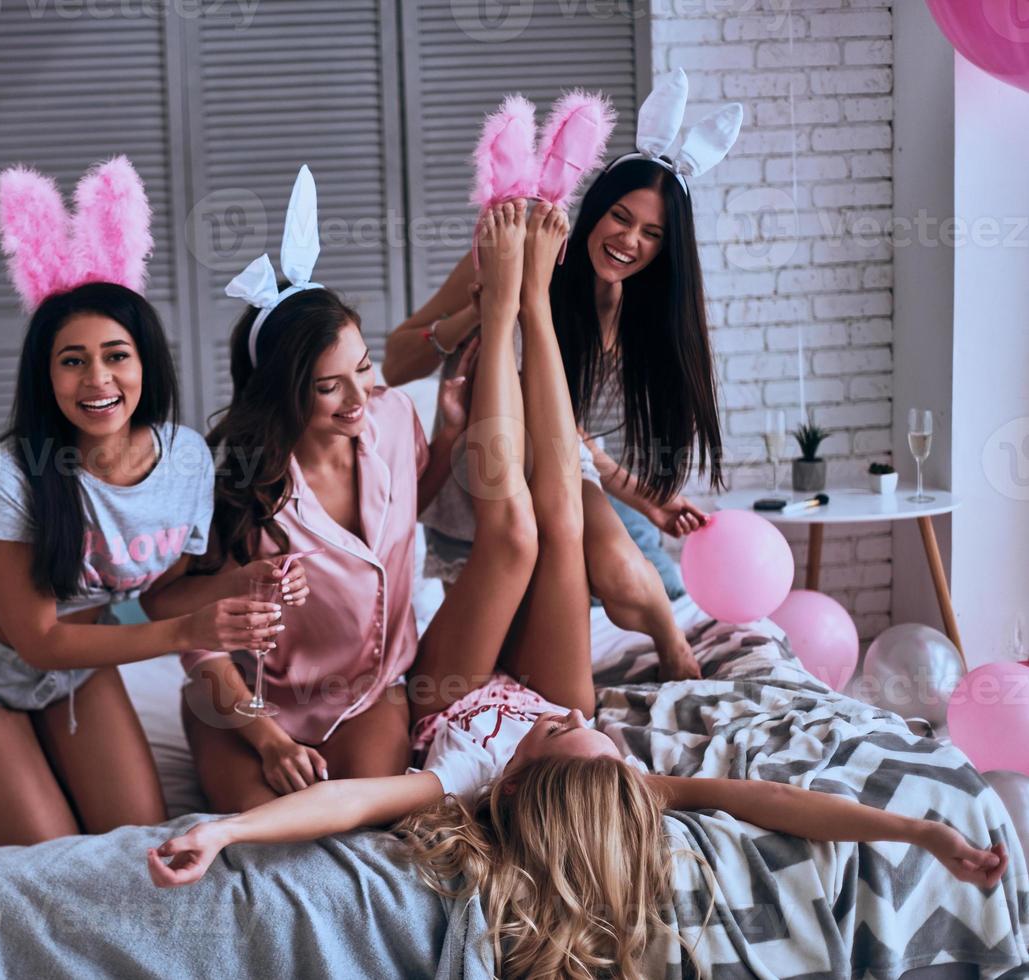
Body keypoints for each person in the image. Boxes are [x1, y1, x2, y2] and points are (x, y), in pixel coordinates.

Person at [145, 200, 1008, 978]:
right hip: (442, 669)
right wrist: (920, 832)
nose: (577, 719)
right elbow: (781, 802)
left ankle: (511, 306)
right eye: (589, 731)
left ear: (516, 784)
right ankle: (527, 310)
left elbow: (353, 798)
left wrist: (224, 830)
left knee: (521, 525)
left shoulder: (465, 778)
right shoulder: (611, 766)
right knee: (554, 510)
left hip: (431, 691)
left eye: (565, 735)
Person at [0, 159, 281, 848]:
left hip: (79, 664)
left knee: (133, 838)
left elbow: (163, 590)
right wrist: (187, 634)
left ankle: (3, 775)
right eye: (71, 360)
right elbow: (39, 640)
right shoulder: (8, 476)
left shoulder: (185, 461)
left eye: (116, 355)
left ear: (145, 363)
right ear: (44, 374)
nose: (98, 379)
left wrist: (233, 589)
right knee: (52, 861)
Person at [385, 75, 741, 681]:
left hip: (554, 463)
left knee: (621, 572)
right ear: (595, 206)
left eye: (651, 233)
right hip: (481, 465)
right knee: (497, 647)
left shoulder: (639, 318)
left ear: (668, 247)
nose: (629, 240)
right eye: (620, 218)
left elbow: (563, 432)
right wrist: (487, 300)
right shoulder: (515, 252)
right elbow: (396, 363)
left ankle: (674, 647)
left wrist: (648, 500)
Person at [158, 167, 470, 813]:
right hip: (246, 707)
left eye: (362, 368)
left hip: (368, 692)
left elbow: (410, 499)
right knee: (267, 847)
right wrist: (268, 741)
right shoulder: (238, 489)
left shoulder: (390, 418)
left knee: (361, 834)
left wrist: (447, 439)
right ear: (280, 390)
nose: (359, 397)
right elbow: (184, 626)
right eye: (330, 386)